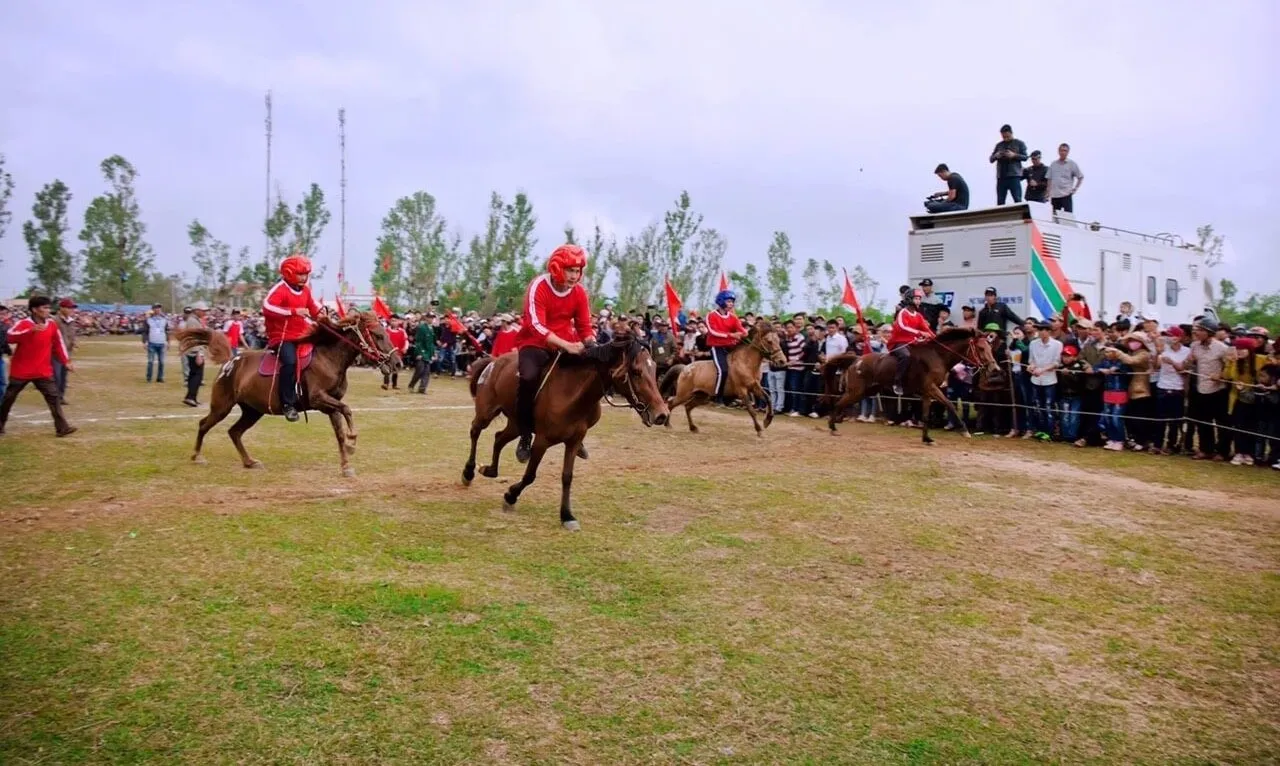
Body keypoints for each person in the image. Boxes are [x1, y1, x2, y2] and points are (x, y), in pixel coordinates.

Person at [513, 244, 596, 464]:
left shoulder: (579, 293)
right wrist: (566, 345)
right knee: (528, 377)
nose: (574, 275)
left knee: (586, 378)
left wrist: (591, 344)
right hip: (535, 343)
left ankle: (577, 430)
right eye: (570, 270)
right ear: (557, 267)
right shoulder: (538, 286)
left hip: (565, 343)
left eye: (577, 271)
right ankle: (524, 434)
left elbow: (585, 327)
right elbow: (535, 325)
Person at [0, 296, 76, 437]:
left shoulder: (52, 325)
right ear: (34, 310)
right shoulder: (23, 323)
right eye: (44, 308)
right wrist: (30, 331)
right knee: (8, 399)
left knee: (54, 398)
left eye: (48, 307)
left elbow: (59, 344)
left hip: (43, 371)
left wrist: (66, 361)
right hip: (21, 371)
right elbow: (10, 336)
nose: (48, 310)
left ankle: (62, 428)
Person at [262, 253, 323, 422]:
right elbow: (267, 307)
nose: (304, 278)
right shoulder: (280, 289)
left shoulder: (305, 290)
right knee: (290, 361)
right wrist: (293, 311)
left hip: (302, 334)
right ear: (289, 273)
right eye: (301, 274)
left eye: (306, 274)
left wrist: (323, 314)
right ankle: (288, 404)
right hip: (281, 337)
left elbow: (314, 307)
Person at [888, 289, 935, 396]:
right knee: (906, 356)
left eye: (919, 299)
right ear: (909, 299)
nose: (918, 301)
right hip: (899, 342)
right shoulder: (902, 312)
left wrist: (935, 338)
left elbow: (927, 329)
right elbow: (902, 327)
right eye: (916, 299)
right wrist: (920, 333)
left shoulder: (918, 315)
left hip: (913, 343)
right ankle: (897, 382)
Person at [706, 289, 747, 404]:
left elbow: (742, 330)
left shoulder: (733, 317)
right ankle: (717, 396)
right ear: (721, 301)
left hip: (731, 348)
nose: (731, 304)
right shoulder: (711, 315)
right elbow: (712, 331)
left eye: (732, 302)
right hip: (716, 347)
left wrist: (744, 333)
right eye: (729, 301)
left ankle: (733, 395)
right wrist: (731, 335)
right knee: (722, 370)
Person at [989, 123, 1029, 205]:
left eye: (1007, 136)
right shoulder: (999, 145)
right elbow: (991, 159)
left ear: (1011, 133)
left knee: (1017, 199)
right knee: (1000, 201)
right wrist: (996, 155)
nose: (1005, 138)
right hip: (1001, 176)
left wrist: (1014, 155)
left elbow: (1025, 157)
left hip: (1014, 176)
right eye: (1003, 137)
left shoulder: (1019, 143)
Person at [182, 301, 209, 407]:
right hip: (195, 351)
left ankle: (192, 396)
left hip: (193, 350)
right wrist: (199, 353)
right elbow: (194, 339)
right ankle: (191, 397)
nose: (204, 313)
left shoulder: (194, 320)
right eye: (203, 311)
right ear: (197, 310)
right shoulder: (193, 321)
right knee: (197, 375)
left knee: (193, 374)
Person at [1047, 143, 1084, 213]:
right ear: (1058, 151)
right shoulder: (1053, 164)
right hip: (1055, 195)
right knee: (1054, 216)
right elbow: (1049, 178)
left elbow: (1080, 177)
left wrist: (1075, 189)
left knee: (1068, 216)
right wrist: (1048, 192)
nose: (1063, 152)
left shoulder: (1072, 164)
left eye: (1065, 151)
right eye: (1061, 150)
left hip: (1066, 194)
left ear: (1068, 152)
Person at [143, 303, 169, 382]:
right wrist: (145, 342)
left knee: (161, 362)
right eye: (156, 308)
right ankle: (149, 377)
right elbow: (145, 332)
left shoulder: (164, 320)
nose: (158, 310)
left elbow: (166, 331)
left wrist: (168, 341)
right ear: (153, 310)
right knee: (150, 361)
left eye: (159, 308)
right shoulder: (148, 320)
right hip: (152, 342)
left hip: (161, 342)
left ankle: (160, 377)